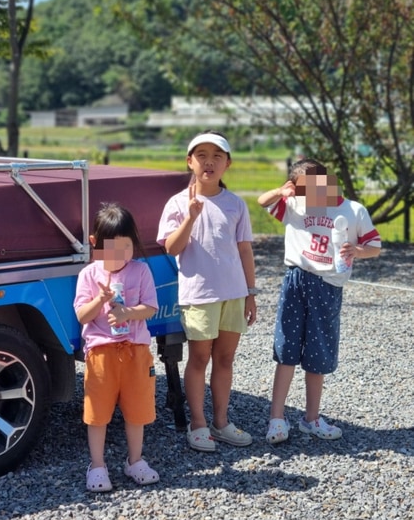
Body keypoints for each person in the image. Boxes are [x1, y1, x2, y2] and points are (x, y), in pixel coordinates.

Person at [258, 158, 381, 444]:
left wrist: (356, 250)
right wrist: (281, 191)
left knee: (318, 352)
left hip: (328, 285)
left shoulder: (353, 210)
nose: (311, 193)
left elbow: (375, 247)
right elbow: (265, 201)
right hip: (296, 279)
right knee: (286, 347)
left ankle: (311, 418)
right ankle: (277, 418)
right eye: (303, 189)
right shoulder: (296, 205)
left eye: (316, 185)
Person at [157, 131, 257, 452]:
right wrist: (190, 216)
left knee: (225, 359)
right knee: (199, 358)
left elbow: (244, 251)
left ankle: (222, 421)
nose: (209, 162)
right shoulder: (176, 203)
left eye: (217, 156)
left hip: (234, 293)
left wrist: (251, 292)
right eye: (201, 155)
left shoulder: (236, 204)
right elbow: (172, 248)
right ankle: (198, 424)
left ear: (227, 164)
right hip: (199, 294)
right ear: (190, 161)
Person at [74, 202, 160, 491]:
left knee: (137, 410)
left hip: (135, 351)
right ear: (95, 244)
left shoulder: (140, 271)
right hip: (100, 353)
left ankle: (135, 460)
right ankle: (97, 465)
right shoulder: (88, 275)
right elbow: (81, 316)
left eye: (127, 248)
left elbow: (150, 308)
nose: (121, 256)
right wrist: (100, 300)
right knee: (97, 413)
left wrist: (127, 313)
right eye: (113, 248)